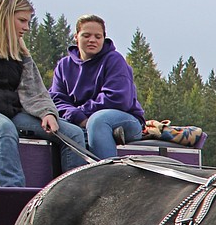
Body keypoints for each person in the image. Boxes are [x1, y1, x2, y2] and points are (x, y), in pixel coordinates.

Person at [0, 0, 88, 186]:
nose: (26, 28)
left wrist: (47, 113)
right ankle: (13, 196)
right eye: (22, 21)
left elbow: (34, 90)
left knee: (72, 134)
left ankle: (73, 198)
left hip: (9, 111)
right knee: (2, 128)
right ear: (4, 16)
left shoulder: (19, 50)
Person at [50, 14, 145, 159]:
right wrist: (78, 117)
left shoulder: (114, 60)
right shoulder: (64, 65)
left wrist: (82, 114)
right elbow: (57, 99)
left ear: (104, 38)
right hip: (80, 121)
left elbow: (119, 99)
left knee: (98, 121)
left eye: (98, 36)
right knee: (57, 125)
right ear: (76, 37)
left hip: (125, 120)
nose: (92, 40)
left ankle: (105, 176)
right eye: (86, 35)